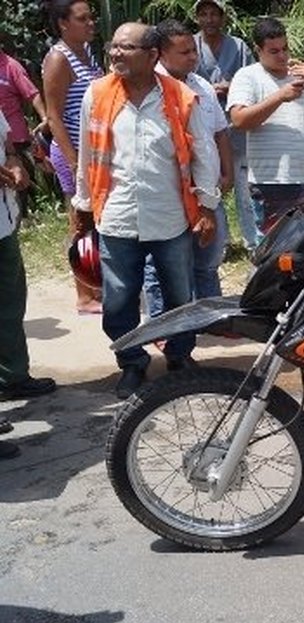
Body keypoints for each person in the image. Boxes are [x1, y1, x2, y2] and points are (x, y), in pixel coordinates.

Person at [73, 22, 219, 398]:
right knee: (119, 298)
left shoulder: (181, 96)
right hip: (117, 215)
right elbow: (89, 155)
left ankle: (179, 357)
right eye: (114, 46)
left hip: (170, 216)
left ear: (152, 55)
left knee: (179, 294)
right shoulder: (98, 93)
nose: (116, 54)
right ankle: (132, 363)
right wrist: (83, 204)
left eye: (126, 48)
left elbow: (204, 152)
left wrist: (207, 206)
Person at [144, 18, 233, 314]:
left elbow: (219, 131)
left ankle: (211, 317)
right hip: (168, 191)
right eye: (185, 53)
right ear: (161, 54)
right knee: (162, 263)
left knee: (208, 256)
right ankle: (163, 324)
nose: (193, 57)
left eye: (193, 50)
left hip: (206, 188)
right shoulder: (148, 88)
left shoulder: (201, 85)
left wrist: (227, 171)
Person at [227, 17, 304, 232]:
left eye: (285, 48)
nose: (282, 56)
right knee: (274, 256)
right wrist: (280, 96)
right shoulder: (248, 76)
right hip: (270, 182)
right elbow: (239, 120)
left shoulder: (300, 76)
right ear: (258, 50)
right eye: (274, 51)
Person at [1, 112, 57, 459]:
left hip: (2, 224)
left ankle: (11, 377)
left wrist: (15, 164)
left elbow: (6, 147)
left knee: (9, 304)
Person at [41, 0, 103, 314]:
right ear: (63, 23)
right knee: (80, 223)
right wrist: (74, 160)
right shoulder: (58, 58)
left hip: (94, 154)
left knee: (95, 222)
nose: (91, 22)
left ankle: (94, 285)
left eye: (91, 17)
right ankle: (84, 295)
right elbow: (54, 116)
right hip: (74, 154)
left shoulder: (86, 52)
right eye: (83, 18)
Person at [193, 0, 258, 250]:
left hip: (236, 126)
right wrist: (210, 90)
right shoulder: (191, 45)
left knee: (244, 187)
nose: (209, 19)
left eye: (214, 14)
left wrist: (230, 87)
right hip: (203, 126)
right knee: (209, 184)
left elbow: (251, 79)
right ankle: (220, 240)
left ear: (223, 18)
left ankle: (252, 241)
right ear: (197, 18)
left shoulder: (238, 46)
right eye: (204, 14)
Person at [0, 44, 49, 218]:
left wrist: (45, 118)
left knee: (18, 181)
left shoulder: (11, 66)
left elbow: (32, 93)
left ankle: (22, 217)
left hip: (15, 138)